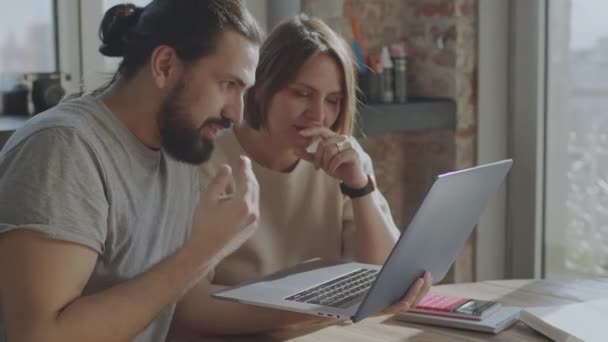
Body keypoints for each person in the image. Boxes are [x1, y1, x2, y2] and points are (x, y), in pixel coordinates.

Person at [0, 1, 263, 341]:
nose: (236, 114)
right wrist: (202, 251)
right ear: (165, 65)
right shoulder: (63, 148)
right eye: (228, 84)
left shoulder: (176, 148)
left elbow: (179, 304)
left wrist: (309, 311)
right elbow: (41, 336)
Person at [173, 14, 432, 337]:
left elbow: (390, 279)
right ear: (260, 89)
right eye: (302, 94)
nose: (319, 115)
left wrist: (360, 188)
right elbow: (190, 311)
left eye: (333, 100)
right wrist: (316, 310)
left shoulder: (343, 160)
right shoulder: (206, 162)